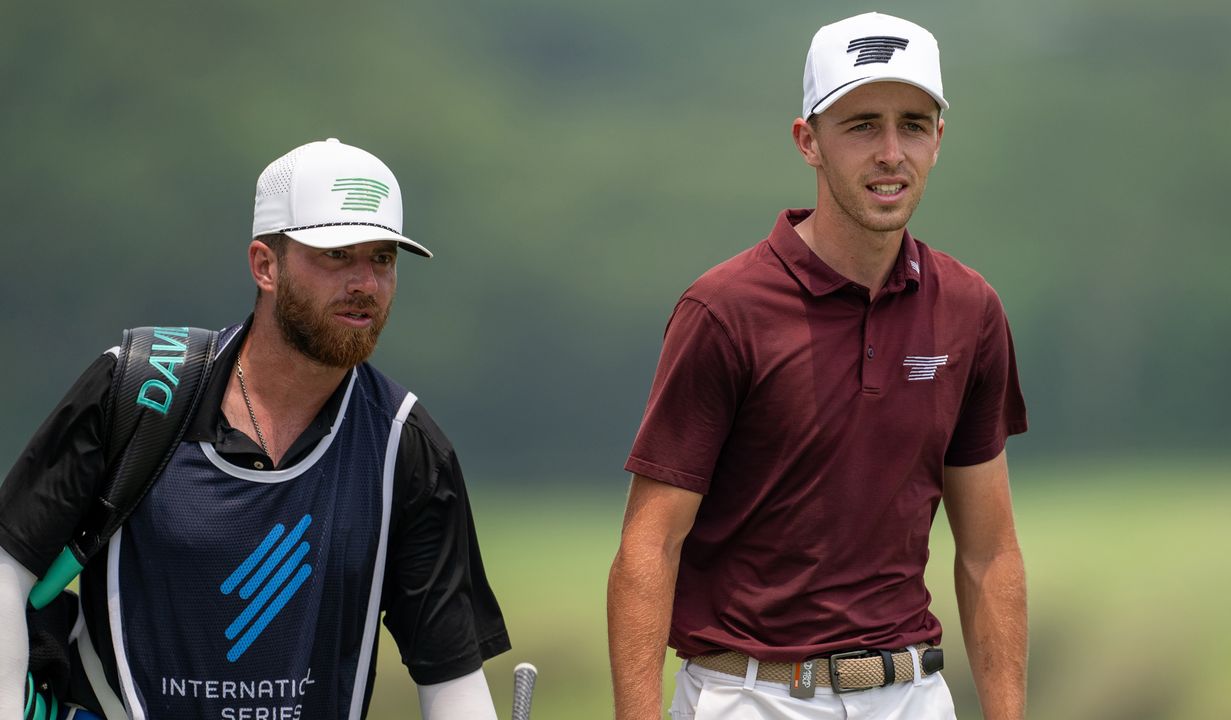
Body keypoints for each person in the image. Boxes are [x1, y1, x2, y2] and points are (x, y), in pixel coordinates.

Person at [608, 12, 1028, 720]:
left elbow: (989, 554)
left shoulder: (969, 308)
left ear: (939, 140)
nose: (891, 152)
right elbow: (650, 548)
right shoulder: (724, 310)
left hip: (912, 696)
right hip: (747, 695)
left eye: (913, 125)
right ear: (808, 141)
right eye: (862, 125)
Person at [0, 138, 511, 719]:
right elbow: (6, 567)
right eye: (337, 255)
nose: (366, 282)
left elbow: (452, 676)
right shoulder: (140, 387)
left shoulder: (405, 444)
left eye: (383, 259)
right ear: (265, 265)